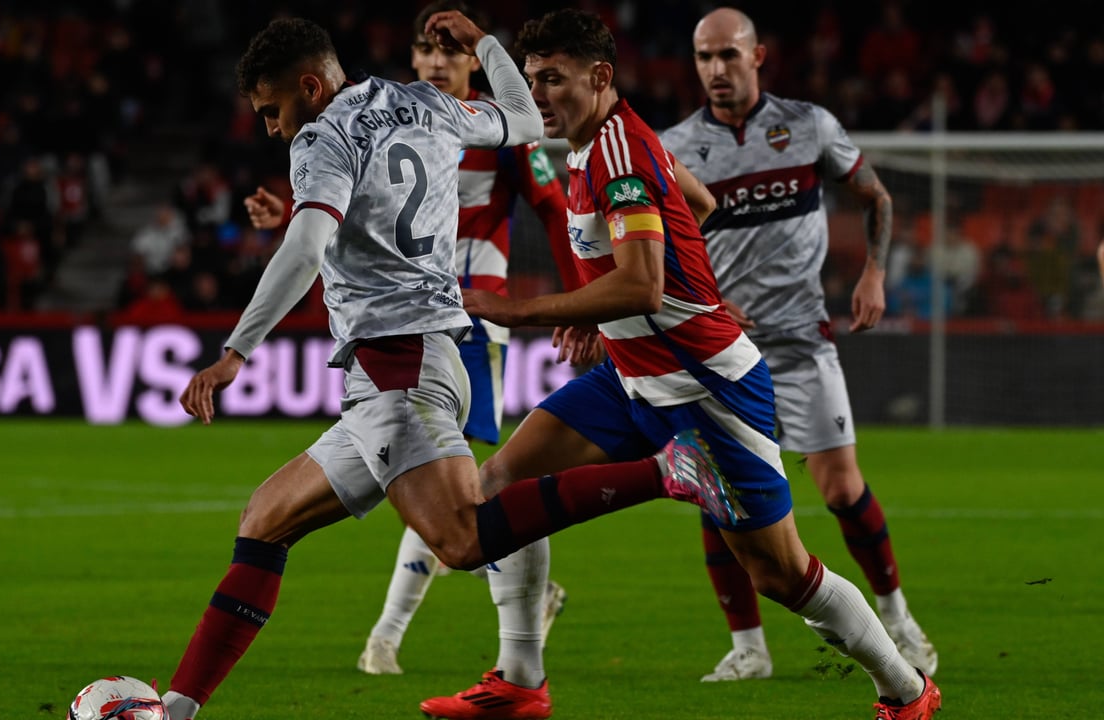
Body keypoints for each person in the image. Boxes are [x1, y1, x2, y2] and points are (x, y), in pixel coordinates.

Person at [160, 13, 733, 720]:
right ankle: (176, 708)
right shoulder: (423, 102)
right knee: (264, 520)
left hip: (398, 365)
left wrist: (234, 353)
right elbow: (525, 118)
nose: (274, 129)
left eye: (272, 110)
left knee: (462, 538)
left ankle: (665, 472)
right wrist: (487, 45)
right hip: (422, 357)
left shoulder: (322, 136)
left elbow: (308, 248)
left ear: (310, 87)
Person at [421, 9, 941, 720]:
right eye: (532, 79)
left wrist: (520, 309)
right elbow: (698, 200)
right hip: (631, 377)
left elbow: (642, 285)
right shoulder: (600, 141)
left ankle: (907, 691)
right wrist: (623, 307)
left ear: (599, 77)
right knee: (496, 486)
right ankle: (520, 679)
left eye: (553, 80)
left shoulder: (620, 155)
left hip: (708, 388)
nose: (537, 95)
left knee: (779, 573)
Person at [244, 0, 579, 681]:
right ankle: (484, 615)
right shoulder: (401, 115)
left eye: (449, 51)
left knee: (460, 496)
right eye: (425, 51)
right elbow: (359, 218)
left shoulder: (475, 124)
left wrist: (577, 305)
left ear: (471, 62)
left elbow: (553, 208)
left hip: (467, 321)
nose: (434, 61)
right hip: (407, 320)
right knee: (440, 491)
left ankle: (410, 636)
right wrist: (293, 220)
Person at [657, 6, 939, 684]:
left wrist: (873, 273)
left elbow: (876, 198)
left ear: (757, 57)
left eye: (728, 54)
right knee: (718, 494)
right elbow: (656, 243)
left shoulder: (808, 125)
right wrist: (705, 299)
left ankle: (899, 619)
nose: (716, 69)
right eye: (704, 57)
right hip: (722, 351)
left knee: (841, 488)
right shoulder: (673, 146)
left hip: (802, 341)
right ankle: (749, 648)